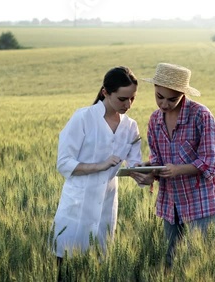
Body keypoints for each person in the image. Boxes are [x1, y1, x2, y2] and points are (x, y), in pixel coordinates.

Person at [131, 63, 215, 269]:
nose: (164, 104)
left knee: (196, 265)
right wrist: (148, 171)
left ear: (183, 93)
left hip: (201, 204)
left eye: (171, 99)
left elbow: (213, 161)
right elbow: (157, 159)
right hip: (170, 205)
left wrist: (178, 170)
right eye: (159, 96)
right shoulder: (155, 120)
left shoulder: (201, 115)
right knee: (171, 264)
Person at [52, 66, 142, 280]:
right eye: (122, 99)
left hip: (106, 207)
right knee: (66, 270)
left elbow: (135, 164)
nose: (128, 105)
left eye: (133, 99)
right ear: (105, 92)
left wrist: (146, 174)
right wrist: (99, 166)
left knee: (97, 269)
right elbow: (64, 163)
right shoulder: (83, 118)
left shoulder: (131, 127)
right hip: (76, 207)